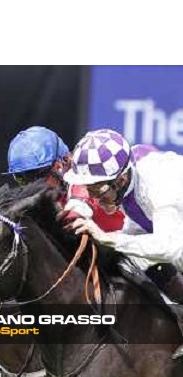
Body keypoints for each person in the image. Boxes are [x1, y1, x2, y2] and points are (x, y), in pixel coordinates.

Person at [63, 129, 183, 358]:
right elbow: (137, 233)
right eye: (90, 190)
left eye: (98, 189)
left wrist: (108, 237)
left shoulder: (160, 182)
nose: (96, 199)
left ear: (121, 179)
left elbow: (171, 247)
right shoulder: (130, 180)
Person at [0, 125, 124, 231]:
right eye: (21, 178)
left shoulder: (87, 174)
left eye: (36, 177)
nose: (30, 187)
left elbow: (80, 192)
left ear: (60, 165)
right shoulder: (57, 188)